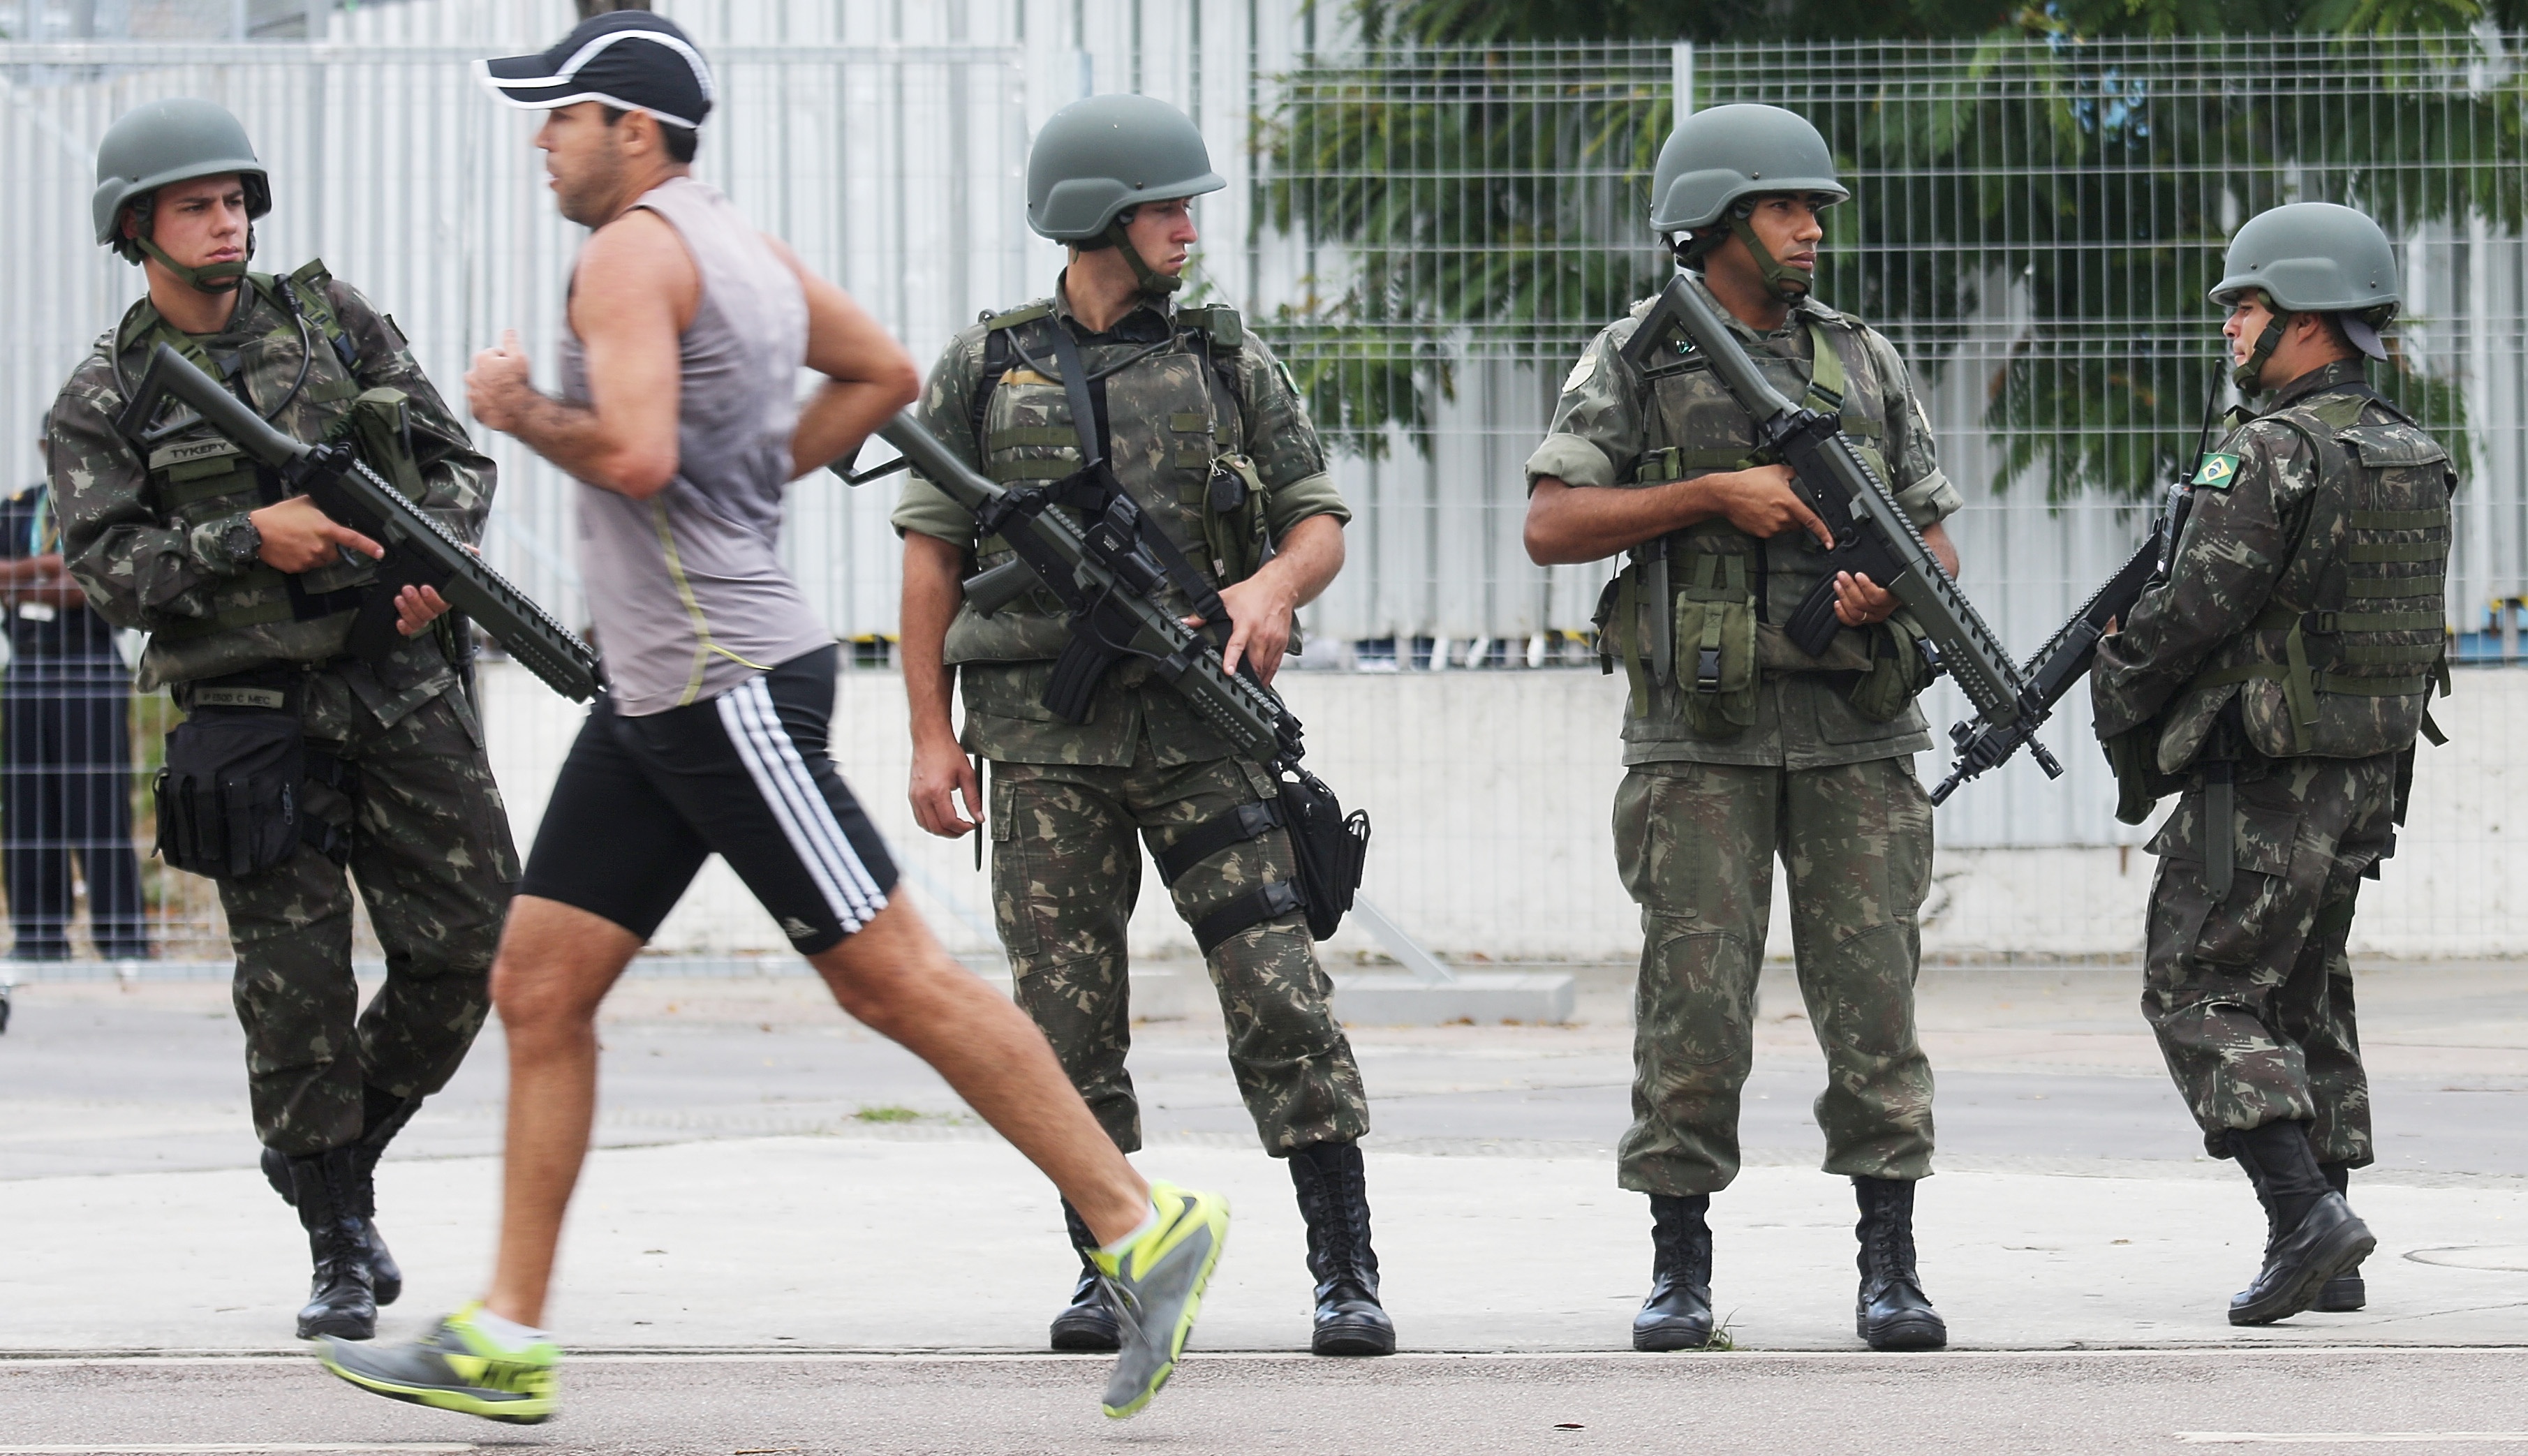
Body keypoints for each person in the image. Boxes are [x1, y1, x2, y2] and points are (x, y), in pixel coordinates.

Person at [318, 14, 1226, 1424]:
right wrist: (746, 486)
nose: (540, 141)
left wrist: (512, 408)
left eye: (559, 115)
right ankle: (506, 1327)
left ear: (630, 127)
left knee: (893, 976)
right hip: (660, 688)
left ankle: (1135, 1214)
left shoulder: (627, 251)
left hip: (719, 680)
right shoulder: (731, 237)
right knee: (539, 987)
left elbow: (633, 450)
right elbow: (875, 375)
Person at [892, 91, 1391, 1360]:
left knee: (1279, 994)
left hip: (1200, 734)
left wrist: (1271, 586)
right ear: (1096, 216)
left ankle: (1346, 1269)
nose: (1187, 226)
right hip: (1040, 747)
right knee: (1064, 1020)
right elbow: (929, 564)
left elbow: (1316, 519)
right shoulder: (985, 366)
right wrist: (928, 736)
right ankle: (1109, 1266)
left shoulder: (1228, 360)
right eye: (1168, 205)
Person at [47, 97, 511, 1342]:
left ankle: (333, 1155)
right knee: (294, 990)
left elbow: (455, 462)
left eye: (237, 200)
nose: (227, 222)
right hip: (252, 717)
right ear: (136, 225)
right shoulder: (105, 396)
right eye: (197, 205)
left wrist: (439, 563)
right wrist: (246, 535)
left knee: (473, 941)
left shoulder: (334, 321)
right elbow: (107, 568)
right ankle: (335, 1239)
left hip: (400, 686)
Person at [1522, 103, 1960, 1354]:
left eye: (1814, 208)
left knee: (1875, 1010)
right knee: (1692, 1011)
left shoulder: (1862, 360)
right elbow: (1551, 524)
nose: (1812, 228)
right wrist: (1714, 493)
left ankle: (1890, 1263)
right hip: (1697, 740)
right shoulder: (1637, 358)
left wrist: (1893, 580)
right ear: (1717, 222)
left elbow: (1933, 529)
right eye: (1785, 208)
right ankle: (1678, 1266)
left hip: (1856, 737)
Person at [2092, 201, 2446, 1326]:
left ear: (2304, 316)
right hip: (2365, 772)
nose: (2233, 326)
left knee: (2197, 985)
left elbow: (2193, 607)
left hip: (2265, 773)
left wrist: (2119, 679)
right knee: (2301, 985)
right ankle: (2328, 1253)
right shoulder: (2410, 447)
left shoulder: (2271, 451)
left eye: (2246, 304)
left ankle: (2302, 1215)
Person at [2, 429, 148, 964]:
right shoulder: (16, 509)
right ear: (42, 447)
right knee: (27, 808)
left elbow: (97, 587)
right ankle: (38, 937)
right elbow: (67, 581)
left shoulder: (105, 513)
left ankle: (122, 938)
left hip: (88, 667)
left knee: (98, 807)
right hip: (27, 666)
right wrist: (51, 570)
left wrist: (22, 580)